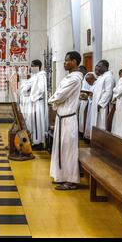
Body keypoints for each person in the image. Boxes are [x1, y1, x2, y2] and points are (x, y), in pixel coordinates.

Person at [48, 52, 84, 191]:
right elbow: (60, 93)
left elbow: (60, 94)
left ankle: (71, 180)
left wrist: (51, 100)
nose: (64, 63)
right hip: (62, 117)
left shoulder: (74, 79)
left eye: (67, 60)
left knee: (69, 150)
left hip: (68, 119)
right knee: (61, 148)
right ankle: (61, 176)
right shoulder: (69, 77)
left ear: (75, 62)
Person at [88, 60, 115, 137]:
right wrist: (91, 95)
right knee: (95, 124)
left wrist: (100, 104)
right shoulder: (100, 77)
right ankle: (95, 140)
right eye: (97, 65)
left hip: (103, 107)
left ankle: (101, 142)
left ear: (105, 67)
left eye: (99, 66)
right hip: (96, 104)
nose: (97, 67)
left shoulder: (109, 77)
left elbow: (108, 92)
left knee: (101, 124)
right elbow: (96, 90)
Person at [28, 60, 48, 147]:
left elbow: (41, 89)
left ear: (37, 66)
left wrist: (33, 97)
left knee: (37, 122)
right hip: (35, 102)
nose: (31, 67)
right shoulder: (36, 76)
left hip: (37, 102)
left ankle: (38, 143)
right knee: (34, 122)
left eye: (32, 66)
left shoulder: (41, 76)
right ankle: (35, 140)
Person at [81, 73, 96, 139]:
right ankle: (88, 135)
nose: (88, 83)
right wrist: (88, 96)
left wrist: (89, 96)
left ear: (93, 78)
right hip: (90, 105)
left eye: (89, 81)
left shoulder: (97, 84)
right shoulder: (92, 85)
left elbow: (95, 96)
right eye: (87, 82)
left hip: (94, 106)